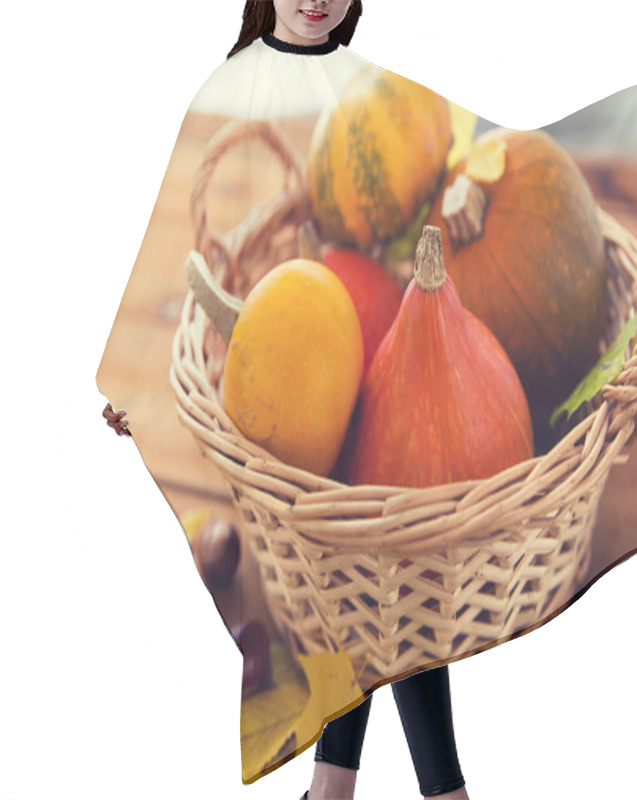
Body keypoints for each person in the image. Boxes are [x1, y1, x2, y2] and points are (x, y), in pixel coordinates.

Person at [228, 5, 471, 800]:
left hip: (378, 366)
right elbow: (195, 249)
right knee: (368, 572)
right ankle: (432, 792)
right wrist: (123, 393)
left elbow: (475, 145)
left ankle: (334, 789)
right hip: (300, 399)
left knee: (380, 565)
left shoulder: (372, 86)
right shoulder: (238, 84)